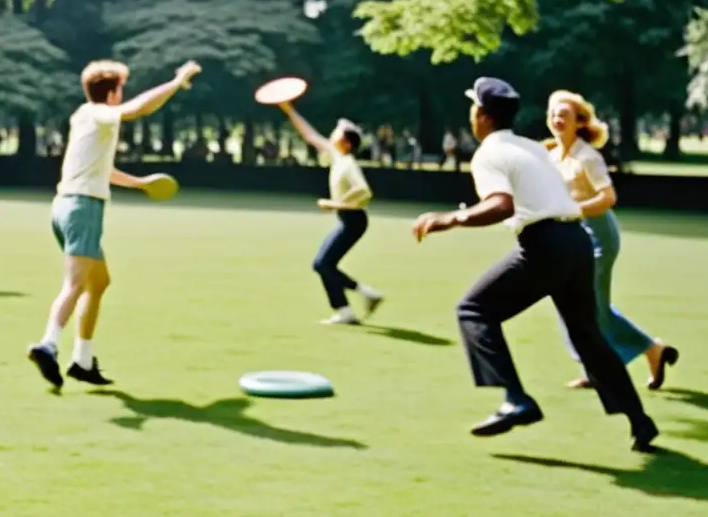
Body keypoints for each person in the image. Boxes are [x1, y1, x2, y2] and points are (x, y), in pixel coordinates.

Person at [411, 77, 659, 452]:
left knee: (473, 309)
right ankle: (640, 421)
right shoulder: (531, 147)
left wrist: (451, 219)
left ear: (482, 115)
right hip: (577, 241)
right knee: (587, 336)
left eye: (473, 109)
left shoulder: (489, 153)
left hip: (545, 244)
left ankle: (516, 399)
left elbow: (501, 204)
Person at [27, 59, 201, 389]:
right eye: (121, 89)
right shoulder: (100, 113)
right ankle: (48, 344)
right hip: (83, 209)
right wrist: (177, 82)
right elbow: (138, 109)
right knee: (75, 284)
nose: (123, 95)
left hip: (63, 206)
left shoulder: (83, 116)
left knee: (99, 282)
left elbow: (101, 169)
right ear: (111, 94)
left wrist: (140, 183)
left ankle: (82, 361)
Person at [545, 90, 679, 391]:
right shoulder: (552, 155)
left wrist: (573, 209)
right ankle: (651, 350)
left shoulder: (588, 157)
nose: (556, 119)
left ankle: (602, 368)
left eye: (563, 114)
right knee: (583, 304)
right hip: (573, 236)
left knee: (588, 305)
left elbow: (608, 198)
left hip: (600, 237)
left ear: (579, 122)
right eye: (552, 114)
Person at [278, 101, 383, 325]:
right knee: (324, 264)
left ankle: (362, 295)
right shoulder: (337, 156)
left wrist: (335, 205)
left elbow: (364, 191)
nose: (331, 135)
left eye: (336, 133)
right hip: (349, 219)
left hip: (354, 220)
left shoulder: (347, 164)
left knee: (322, 264)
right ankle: (347, 309)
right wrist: (287, 108)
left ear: (344, 142)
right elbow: (310, 135)